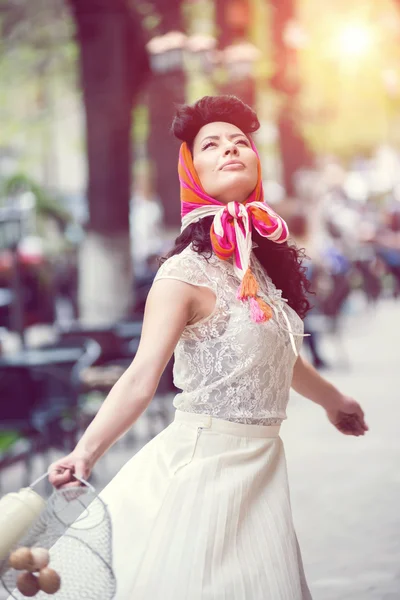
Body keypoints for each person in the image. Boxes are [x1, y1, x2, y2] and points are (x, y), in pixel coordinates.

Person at [48, 96, 368, 600]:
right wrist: (85, 453)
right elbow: (140, 375)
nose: (230, 149)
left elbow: (278, 357)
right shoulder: (182, 274)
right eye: (212, 145)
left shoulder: (253, 265)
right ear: (192, 171)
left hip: (261, 470)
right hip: (204, 476)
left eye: (240, 142)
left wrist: (335, 402)